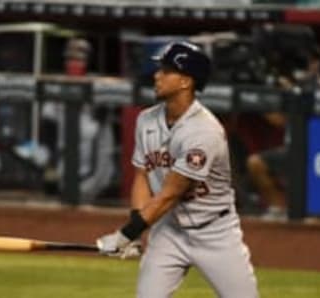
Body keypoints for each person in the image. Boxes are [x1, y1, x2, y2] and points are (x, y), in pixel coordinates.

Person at [96, 41, 260, 298]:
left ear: (186, 81)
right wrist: (137, 232)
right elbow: (142, 177)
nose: (156, 75)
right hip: (169, 232)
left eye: (166, 70)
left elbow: (171, 193)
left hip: (215, 233)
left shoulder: (204, 131)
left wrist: (125, 234)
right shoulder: (146, 120)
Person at [246, 45, 320, 221]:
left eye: (311, 61)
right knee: (256, 163)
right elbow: (279, 120)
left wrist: (292, 91)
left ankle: (311, 211)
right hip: (291, 148)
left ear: (317, 64)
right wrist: (259, 101)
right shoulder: (292, 86)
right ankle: (278, 208)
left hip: (313, 150)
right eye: (305, 62)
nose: (307, 66)